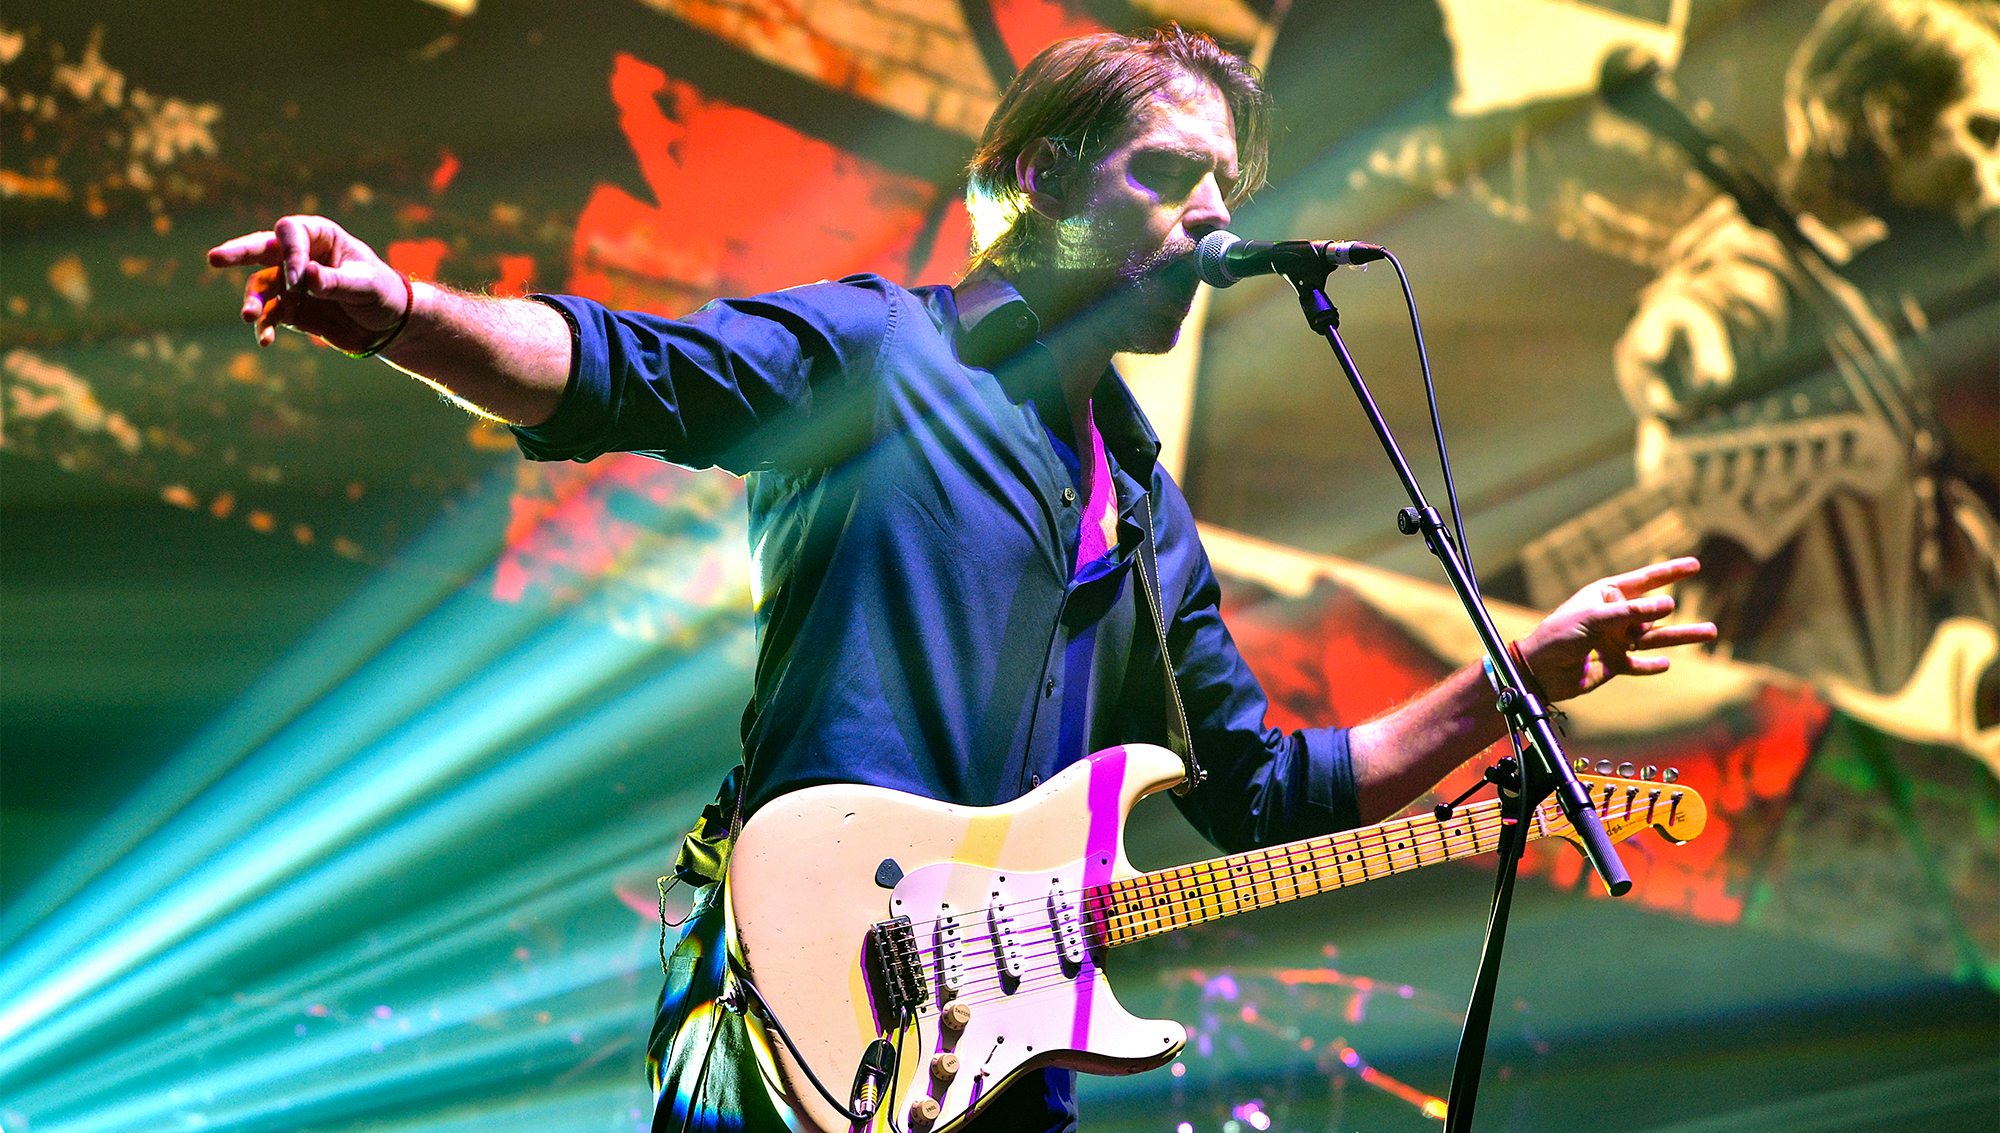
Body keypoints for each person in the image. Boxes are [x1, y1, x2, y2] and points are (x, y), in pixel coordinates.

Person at [210, 26, 1714, 1133]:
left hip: (996, 1070)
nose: (1211, 215)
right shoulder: (885, 354)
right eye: (1168, 173)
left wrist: (1514, 682)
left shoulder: (1148, 512)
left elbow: (1263, 795)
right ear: (1039, 178)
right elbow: (617, 368)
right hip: (795, 1007)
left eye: (1224, 184)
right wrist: (395, 309)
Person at [1607, 0, 1999, 701]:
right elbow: (1712, 311)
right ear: (1892, 119)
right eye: (1984, 132)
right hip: (1779, 714)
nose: (1995, 173)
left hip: (1869, 720)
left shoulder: (1870, 299)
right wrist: (1684, 342)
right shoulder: (1758, 261)